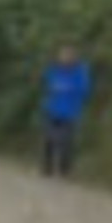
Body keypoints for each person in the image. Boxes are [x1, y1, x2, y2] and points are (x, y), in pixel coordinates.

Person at [36, 43, 94, 177]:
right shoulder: (53, 69)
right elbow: (47, 84)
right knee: (48, 141)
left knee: (66, 142)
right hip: (52, 109)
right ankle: (46, 168)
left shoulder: (80, 72)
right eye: (62, 55)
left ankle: (65, 170)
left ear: (74, 57)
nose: (65, 58)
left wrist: (69, 90)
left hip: (70, 112)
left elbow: (85, 91)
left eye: (68, 56)